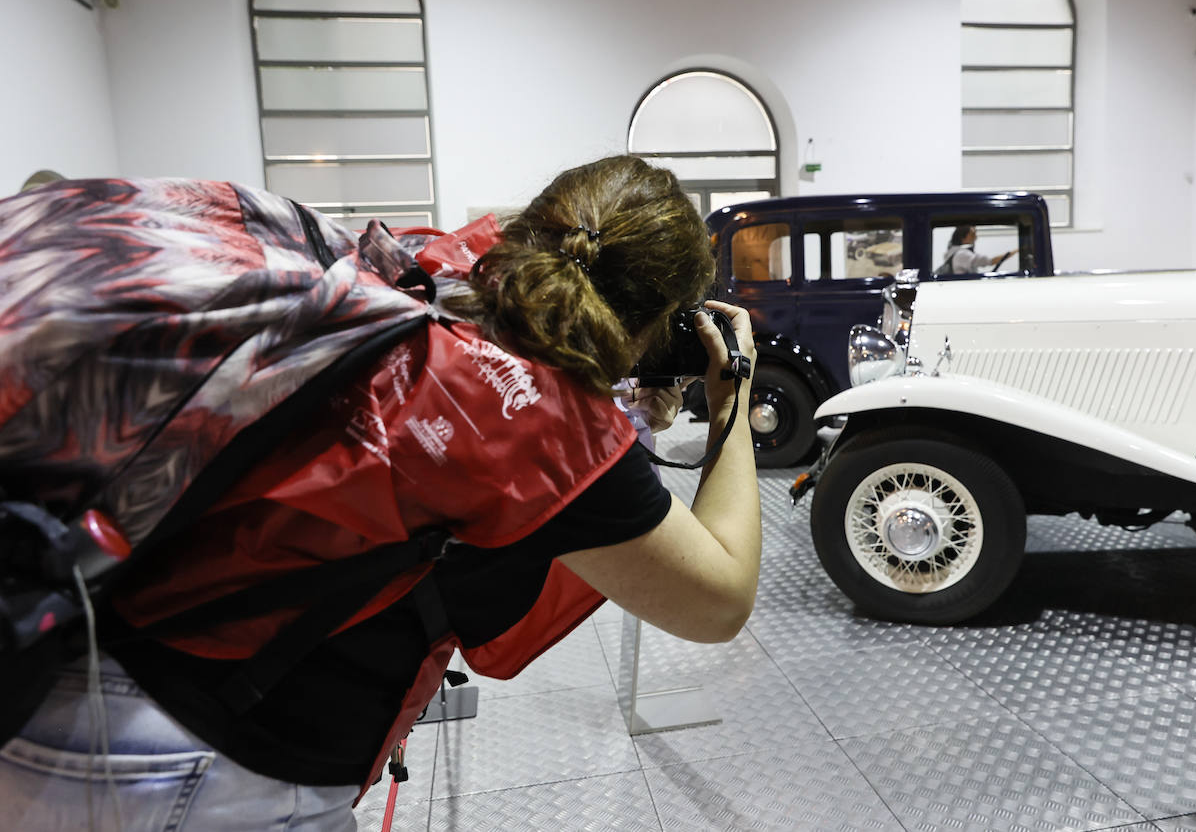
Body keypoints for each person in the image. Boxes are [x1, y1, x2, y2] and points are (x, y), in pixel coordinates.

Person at [0, 155, 760, 831]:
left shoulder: (419, 279)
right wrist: (734, 399)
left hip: (68, 678)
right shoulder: (554, 428)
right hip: (207, 772)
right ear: (656, 320)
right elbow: (719, 598)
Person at [935, 224, 1017, 276]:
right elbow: (989, 261)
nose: (976, 237)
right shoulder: (962, 254)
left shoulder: (953, 252)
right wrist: (1015, 251)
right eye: (972, 234)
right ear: (963, 237)